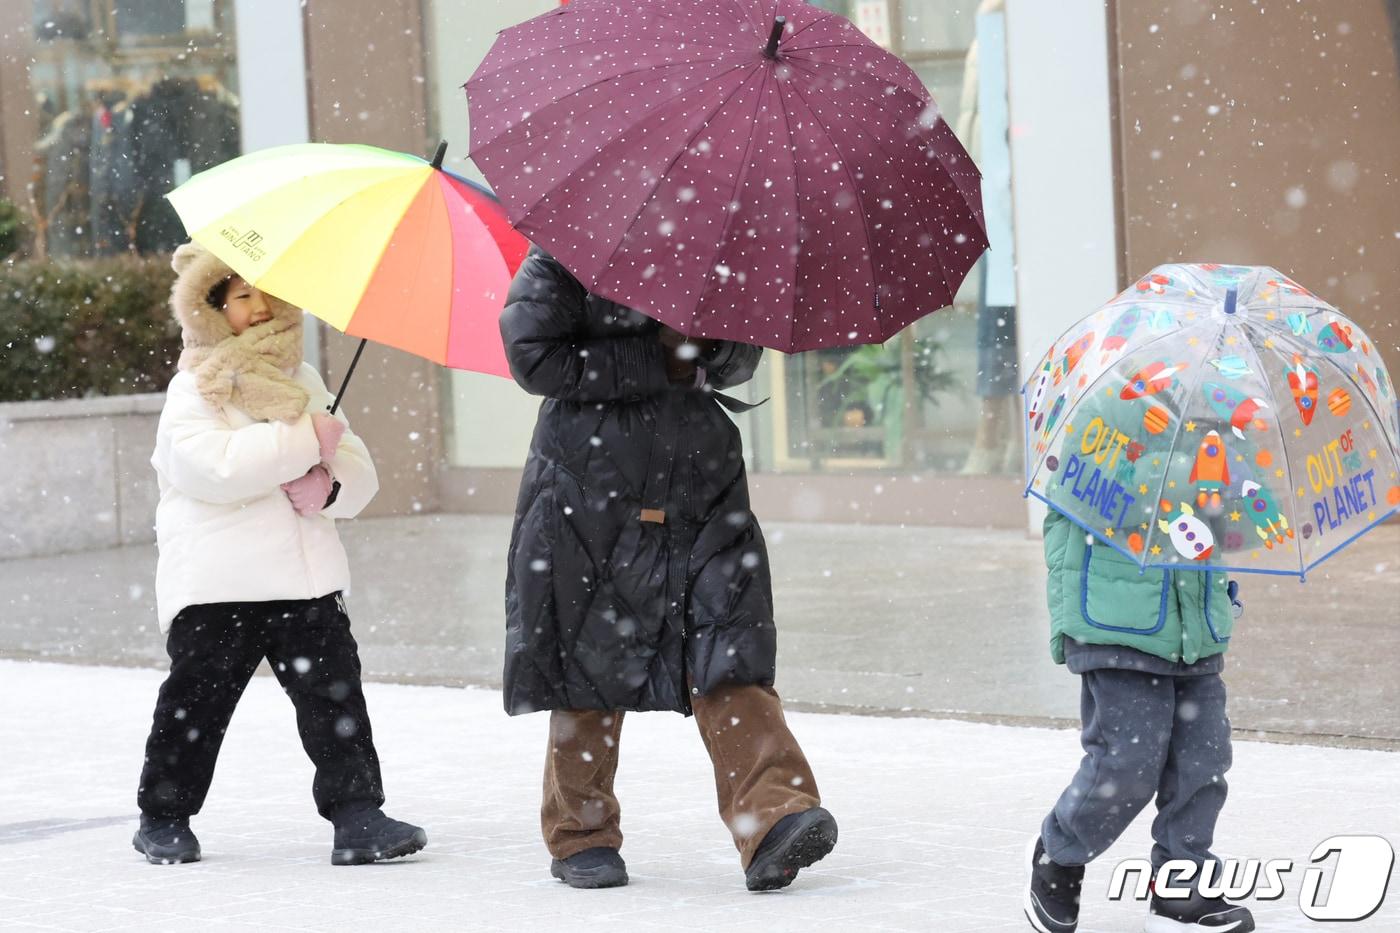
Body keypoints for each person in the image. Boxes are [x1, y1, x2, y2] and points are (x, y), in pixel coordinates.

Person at [499, 246, 837, 892]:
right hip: (591, 482)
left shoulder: (720, 246)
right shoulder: (569, 251)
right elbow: (532, 353)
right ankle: (580, 830)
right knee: (590, 656)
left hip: (699, 477)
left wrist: (704, 349)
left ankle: (772, 815)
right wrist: (652, 358)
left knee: (727, 641)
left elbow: (744, 355)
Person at [133, 242, 426, 866]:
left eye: (267, 293)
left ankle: (358, 817)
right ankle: (163, 816)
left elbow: (357, 468)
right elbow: (212, 467)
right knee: (196, 705)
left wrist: (330, 484)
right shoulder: (195, 388)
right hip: (219, 583)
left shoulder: (305, 380)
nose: (260, 307)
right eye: (242, 296)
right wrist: (300, 442)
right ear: (211, 309)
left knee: (335, 701)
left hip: (305, 578)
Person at [1024, 392, 1255, 933]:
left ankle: (1183, 887)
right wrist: (1188, 467)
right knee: (1126, 764)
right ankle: (1059, 858)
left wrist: (1231, 483)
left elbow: (1230, 522)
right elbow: (1100, 499)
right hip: (1119, 622)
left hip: (1194, 625)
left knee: (1202, 765)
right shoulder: (1108, 405)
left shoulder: (1217, 415)